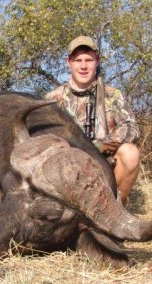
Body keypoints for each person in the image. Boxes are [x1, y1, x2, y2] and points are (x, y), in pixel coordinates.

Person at [45, 36, 140, 206]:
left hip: (105, 167)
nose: (83, 66)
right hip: (66, 169)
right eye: (78, 60)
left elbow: (131, 128)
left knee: (130, 153)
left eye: (89, 60)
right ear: (69, 62)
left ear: (97, 61)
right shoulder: (52, 99)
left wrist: (98, 146)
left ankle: (117, 208)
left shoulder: (113, 95)